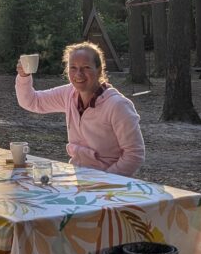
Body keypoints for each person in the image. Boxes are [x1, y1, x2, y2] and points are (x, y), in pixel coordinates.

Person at [15, 41, 145, 176]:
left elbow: (134, 155)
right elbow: (31, 101)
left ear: (99, 70)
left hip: (109, 186)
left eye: (86, 67)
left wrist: (105, 181)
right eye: (73, 68)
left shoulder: (117, 106)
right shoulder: (69, 94)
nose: (79, 74)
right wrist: (24, 76)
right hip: (77, 178)